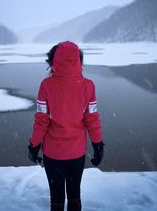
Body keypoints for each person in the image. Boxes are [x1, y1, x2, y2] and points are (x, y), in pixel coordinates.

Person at [28, 41, 104, 211]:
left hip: (53, 155)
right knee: (74, 196)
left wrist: (34, 146)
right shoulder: (88, 86)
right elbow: (92, 119)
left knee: (56, 200)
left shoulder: (46, 86)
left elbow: (41, 120)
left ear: (54, 61)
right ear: (78, 61)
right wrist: (98, 145)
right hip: (76, 154)